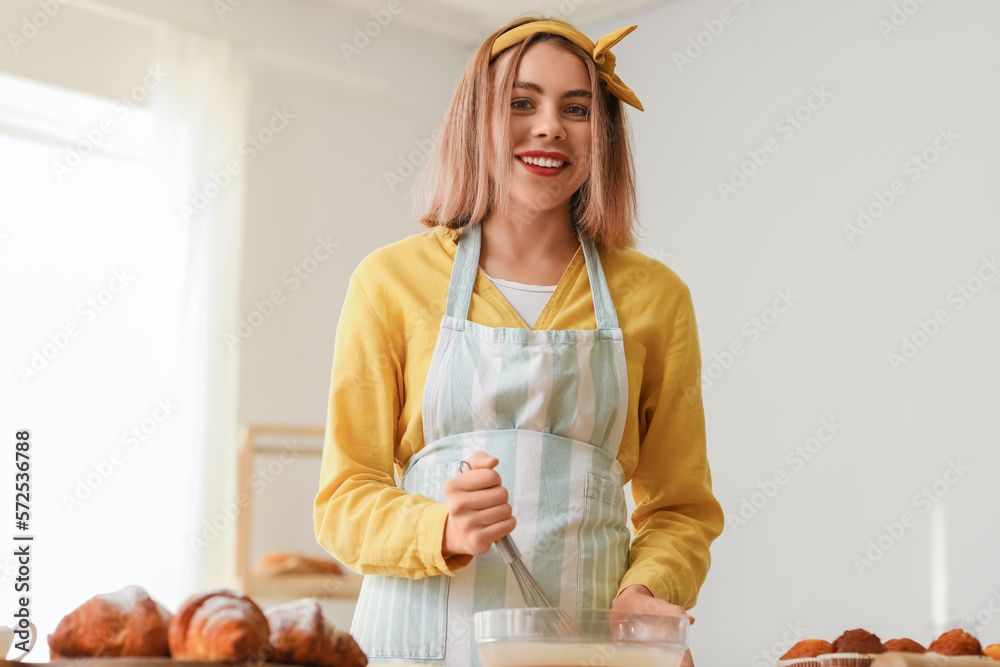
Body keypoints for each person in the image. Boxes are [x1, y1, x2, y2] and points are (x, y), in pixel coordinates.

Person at [314, 15, 724, 667]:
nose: (549, 127)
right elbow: (345, 498)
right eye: (521, 102)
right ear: (476, 121)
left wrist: (647, 590)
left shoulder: (655, 297)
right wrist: (438, 526)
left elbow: (680, 508)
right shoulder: (389, 281)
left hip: (581, 652)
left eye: (578, 107)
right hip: (414, 647)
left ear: (604, 135)